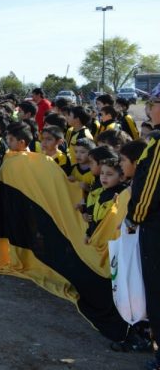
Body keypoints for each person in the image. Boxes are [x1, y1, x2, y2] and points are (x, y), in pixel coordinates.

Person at [125, 84, 160, 370]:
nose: (149, 108)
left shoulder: (159, 142)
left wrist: (134, 217)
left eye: (153, 103)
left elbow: (147, 190)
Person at [84, 157, 125, 243]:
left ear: (121, 177)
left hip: (112, 242)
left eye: (109, 174)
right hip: (98, 239)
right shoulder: (101, 193)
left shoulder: (122, 195)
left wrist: (118, 204)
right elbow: (94, 219)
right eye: (102, 173)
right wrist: (88, 234)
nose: (104, 177)